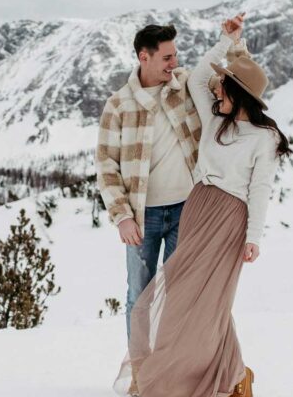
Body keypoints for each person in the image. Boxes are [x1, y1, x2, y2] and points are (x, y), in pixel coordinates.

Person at [113, 14, 290, 397]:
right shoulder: (216, 120)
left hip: (229, 220)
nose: (214, 91)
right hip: (198, 209)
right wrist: (224, 42)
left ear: (238, 94)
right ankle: (216, 379)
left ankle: (230, 377)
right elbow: (195, 82)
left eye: (223, 86)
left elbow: (260, 190)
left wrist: (253, 237)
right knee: (182, 304)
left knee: (211, 304)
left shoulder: (263, 139)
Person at [95, 17, 245, 339]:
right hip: (142, 217)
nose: (174, 63)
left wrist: (233, 42)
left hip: (186, 210)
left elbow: (235, 83)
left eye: (175, 56)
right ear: (143, 57)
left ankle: (171, 370)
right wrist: (122, 216)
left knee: (181, 294)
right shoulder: (119, 105)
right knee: (140, 296)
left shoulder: (186, 86)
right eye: (167, 58)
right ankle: (140, 370)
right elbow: (106, 166)